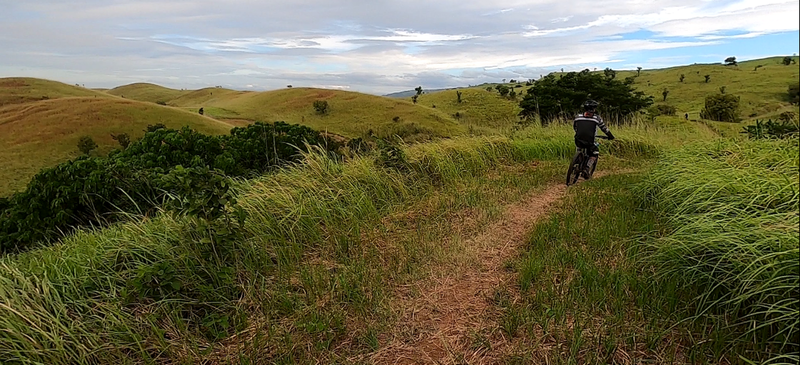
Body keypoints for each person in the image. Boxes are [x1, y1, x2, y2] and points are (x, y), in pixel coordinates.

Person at [573, 100, 614, 176]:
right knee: (595, 153)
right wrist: (610, 136)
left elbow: (575, 127)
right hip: (590, 141)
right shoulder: (597, 118)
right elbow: (604, 129)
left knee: (579, 148)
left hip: (578, 140)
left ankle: (576, 163)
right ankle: (587, 168)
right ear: (594, 109)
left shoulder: (578, 117)